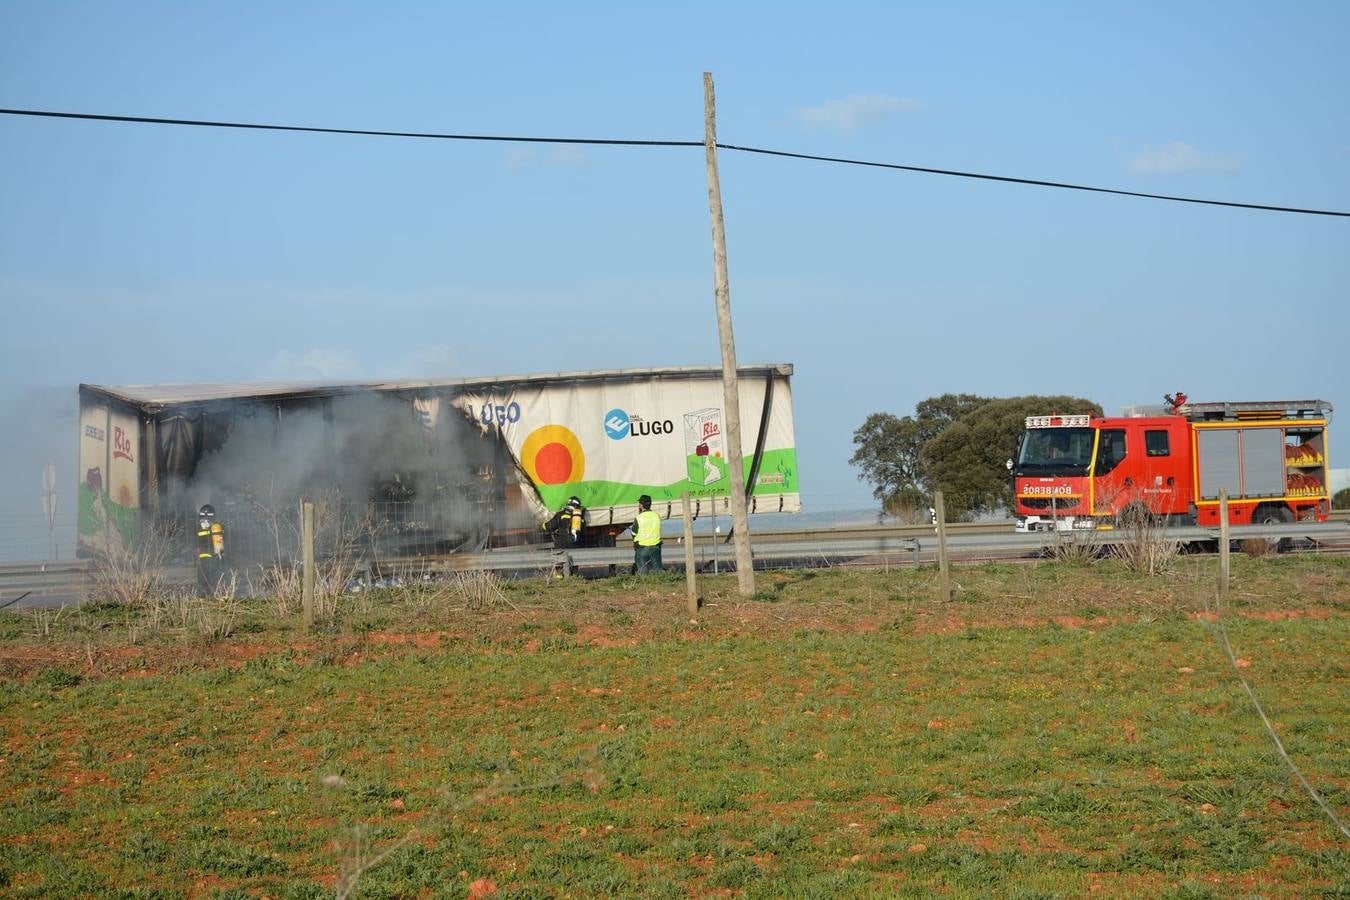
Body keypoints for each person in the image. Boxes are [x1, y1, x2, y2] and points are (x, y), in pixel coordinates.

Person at [195, 503, 227, 596]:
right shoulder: (217, 526)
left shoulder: (202, 527)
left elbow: (198, 540)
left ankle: (206, 597)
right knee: (212, 580)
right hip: (214, 556)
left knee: (205, 581)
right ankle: (213, 595)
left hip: (207, 558)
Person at [630, 494, 663, 574]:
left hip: (642, 549)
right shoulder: (657, 516)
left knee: (643, 574)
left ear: (641, 505)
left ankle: (645, 586)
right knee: (657, 573)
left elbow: (633, 533)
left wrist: (635, 540)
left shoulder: (639, 518)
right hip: (655, 548)